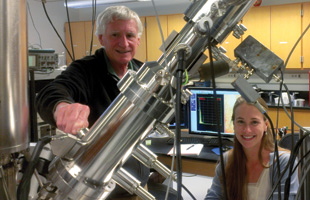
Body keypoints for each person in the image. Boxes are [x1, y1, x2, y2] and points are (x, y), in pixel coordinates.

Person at [36, 6, 149, 199]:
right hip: (94, 190)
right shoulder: (85, 70)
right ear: (101, 39)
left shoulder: (144, 73)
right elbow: (52, 92)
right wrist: (62, 107)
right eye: (115, 35)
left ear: (138, 39)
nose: (124, 43)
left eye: (130, 35)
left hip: (136, 184)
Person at [205, 97, 299, 200]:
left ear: (265, 125)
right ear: (234, 124)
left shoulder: (283, 163)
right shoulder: (227, 160)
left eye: (254, 122)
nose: (247, 130)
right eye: (241, 122)